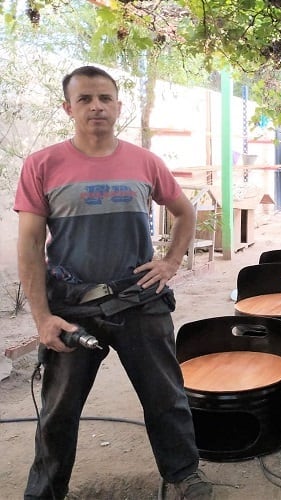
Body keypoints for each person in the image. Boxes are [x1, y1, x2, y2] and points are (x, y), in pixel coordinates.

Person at [15, 65, 213, 499]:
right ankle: (45, 491)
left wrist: (171, 262)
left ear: (118, 106)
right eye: (85, 99)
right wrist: (43, 317)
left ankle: (183, 474)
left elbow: (185, 212)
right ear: (68, 108)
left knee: (166, 396)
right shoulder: (42, 165)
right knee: (58, 411)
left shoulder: (144, 162)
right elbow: (29, 245)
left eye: (105, 97)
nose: (96, 106)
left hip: (140, 300)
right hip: (72, 309)